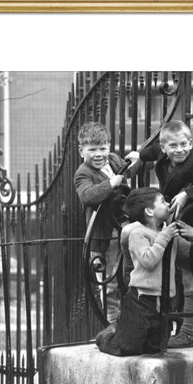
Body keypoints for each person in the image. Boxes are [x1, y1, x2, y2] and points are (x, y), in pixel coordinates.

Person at [138, 120, 193, 348]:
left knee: (189, 276)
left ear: (191, 142)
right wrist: (138, 155)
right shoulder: (164, 153)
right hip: (173, 224)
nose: (179, 150)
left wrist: (188, 193)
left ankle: (188, 332)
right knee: (172, 276)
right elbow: (153, 150)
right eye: (173, 146)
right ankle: (168, 327)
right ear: (165, 148)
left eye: (184, 144)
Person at [95, 187, 193, 356]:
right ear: (149, 211)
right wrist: (165, 237)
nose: (168, 204)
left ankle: (124, 331)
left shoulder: (169, 235)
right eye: (162, 201)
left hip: (164, 302)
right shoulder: (138, 234)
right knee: (127, 348)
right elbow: (148, 260)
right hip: (141, 299)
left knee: (155, 347)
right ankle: (107, 335)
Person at [73, 122, 140, 323]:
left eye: (102, 148)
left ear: (109, 147)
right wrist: (111, 184)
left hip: (125, 227)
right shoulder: (83, 173)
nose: (98, 154)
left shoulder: (112, 160)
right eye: (92, 150)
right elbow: (87, 196)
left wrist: (135, 162)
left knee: (130, 274)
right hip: (105, 235)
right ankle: (112, 324)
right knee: (109, 282)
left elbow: (128, 173)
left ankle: (131, 318)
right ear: (81, 150)